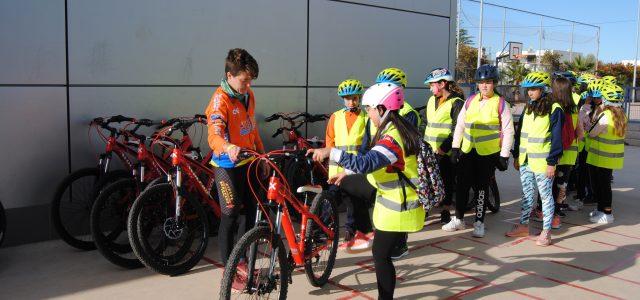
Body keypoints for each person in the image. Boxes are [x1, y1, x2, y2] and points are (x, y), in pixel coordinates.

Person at [309, 82, 424, 300]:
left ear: (382, 108)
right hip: (390, 197)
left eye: (369, 108)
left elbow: (368, 163)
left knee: (380, 256)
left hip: (399, 206)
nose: (368, 113)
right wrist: (348, 172)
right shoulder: (394, 127)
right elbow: (366, 162)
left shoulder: (393, 138)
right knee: (347, 186)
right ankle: (363, 230)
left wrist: (331, 152)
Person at [205, 48, 263, 289]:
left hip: (248, 161)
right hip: (226, 164)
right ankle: (229, 270)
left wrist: (261, 153)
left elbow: (251, 127)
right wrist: (227, 146)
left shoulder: (248, 95)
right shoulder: (220, 100)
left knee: (251, 211)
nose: (247, 85)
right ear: (229, 76)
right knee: (230, 214)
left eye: (250, 80)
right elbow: (213, 136)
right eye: (244, 80)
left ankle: (243, 261)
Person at [446, 64, 515, 238]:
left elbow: (508, 131)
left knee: (481, 189)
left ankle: (479, 222)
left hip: (487, 154)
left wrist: (504, 155)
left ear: (494, 83)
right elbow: (461, 125)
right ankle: (459, 219)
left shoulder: (501, 104)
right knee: (461, 186)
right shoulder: (470, 101)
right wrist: (455, 147)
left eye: (488, 82)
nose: (484, 86)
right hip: (468, 151)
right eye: (481, 82)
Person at [505, 71, 563, 246]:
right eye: (527, 89)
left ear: (543, 89)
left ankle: (546, 232)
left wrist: (552, 162)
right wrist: (517, 155)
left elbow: (557, 139)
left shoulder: (555, 109)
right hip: (525, 160)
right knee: (527, 195)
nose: (529, 92)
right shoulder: (528, 107)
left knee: (545, 197)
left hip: (544, 163)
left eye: (533, 89)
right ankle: (523, 225)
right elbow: (520, 133)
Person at [325, 79, 374, 250]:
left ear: (359, 98)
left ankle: (350, 230)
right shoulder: (335, 117)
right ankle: (323, 230)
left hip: (354, 168)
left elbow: (366, 145)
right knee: (330, 199)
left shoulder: (366, 117)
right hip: (336, 167)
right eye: (347, 98)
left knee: (353, 201)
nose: (351, 102)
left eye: (354, 98)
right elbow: (329, 141)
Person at [422, 68, 464, 224]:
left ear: (442, 83)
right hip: (429, 149)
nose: (430, 88)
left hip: (444, 152)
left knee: (446, 182)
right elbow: (428, 124)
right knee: (427, 181)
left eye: (432, 84)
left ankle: (445, 210)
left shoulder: (457, 103)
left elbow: (457, 129)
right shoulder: (431, 100)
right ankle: (426, 208)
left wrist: (444, 148)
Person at [586, 84, 627, 224]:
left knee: (600, 186)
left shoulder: (606, 115)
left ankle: (607, 213)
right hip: (610, 158)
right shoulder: (621, 115)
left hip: (600, 158)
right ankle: (602, 210)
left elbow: (592, 132)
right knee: (604, 185)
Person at [552, 76, 584, 216]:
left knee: (549, 184)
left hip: (554, 153)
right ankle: (558, 210)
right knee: (562, 184)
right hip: (570, 154)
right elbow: (581, 134)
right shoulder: (574, 110)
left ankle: (544, 209)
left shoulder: (553, 108)